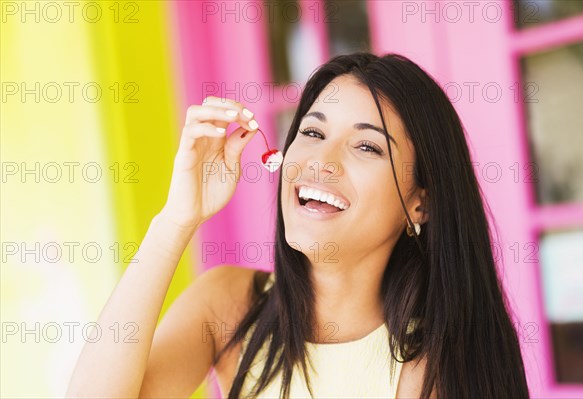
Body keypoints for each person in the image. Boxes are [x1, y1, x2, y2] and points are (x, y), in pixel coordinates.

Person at [66, 52, 530, 398]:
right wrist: (176, 219)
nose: (320, 162)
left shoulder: (435, 359)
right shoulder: (229, 304)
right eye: (312, 132)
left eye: (367, 147)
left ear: (420, 204)